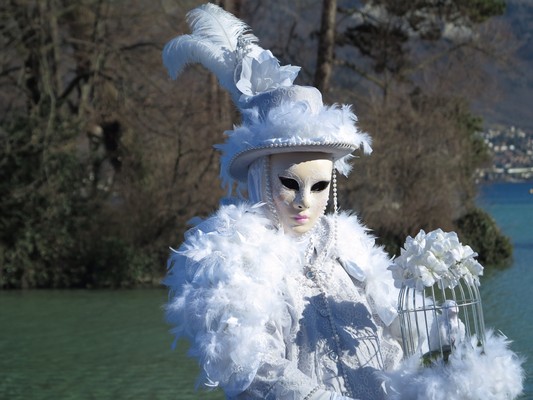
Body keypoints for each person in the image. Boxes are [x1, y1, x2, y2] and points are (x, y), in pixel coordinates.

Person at [162, 4, 523, 400]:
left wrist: (436, 330)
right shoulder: (233, 257)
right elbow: (254, 364)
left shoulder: (345, 244)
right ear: (260, 178)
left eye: (318, 187)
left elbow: (388, 317)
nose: (304, 202)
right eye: (289, 183)